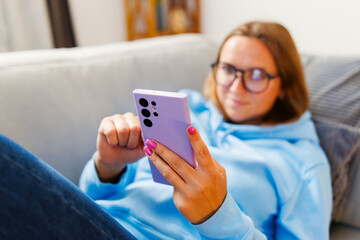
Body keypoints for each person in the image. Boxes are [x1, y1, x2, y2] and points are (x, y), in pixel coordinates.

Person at [0, 21, 332, 240]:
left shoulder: (302, 161)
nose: (236, 86)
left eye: (256, 75)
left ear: (284, 85)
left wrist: (218, 216)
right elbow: (91, 197)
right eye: (228, 69)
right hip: (94, 218)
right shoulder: (188, 108)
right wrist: (108, 167)